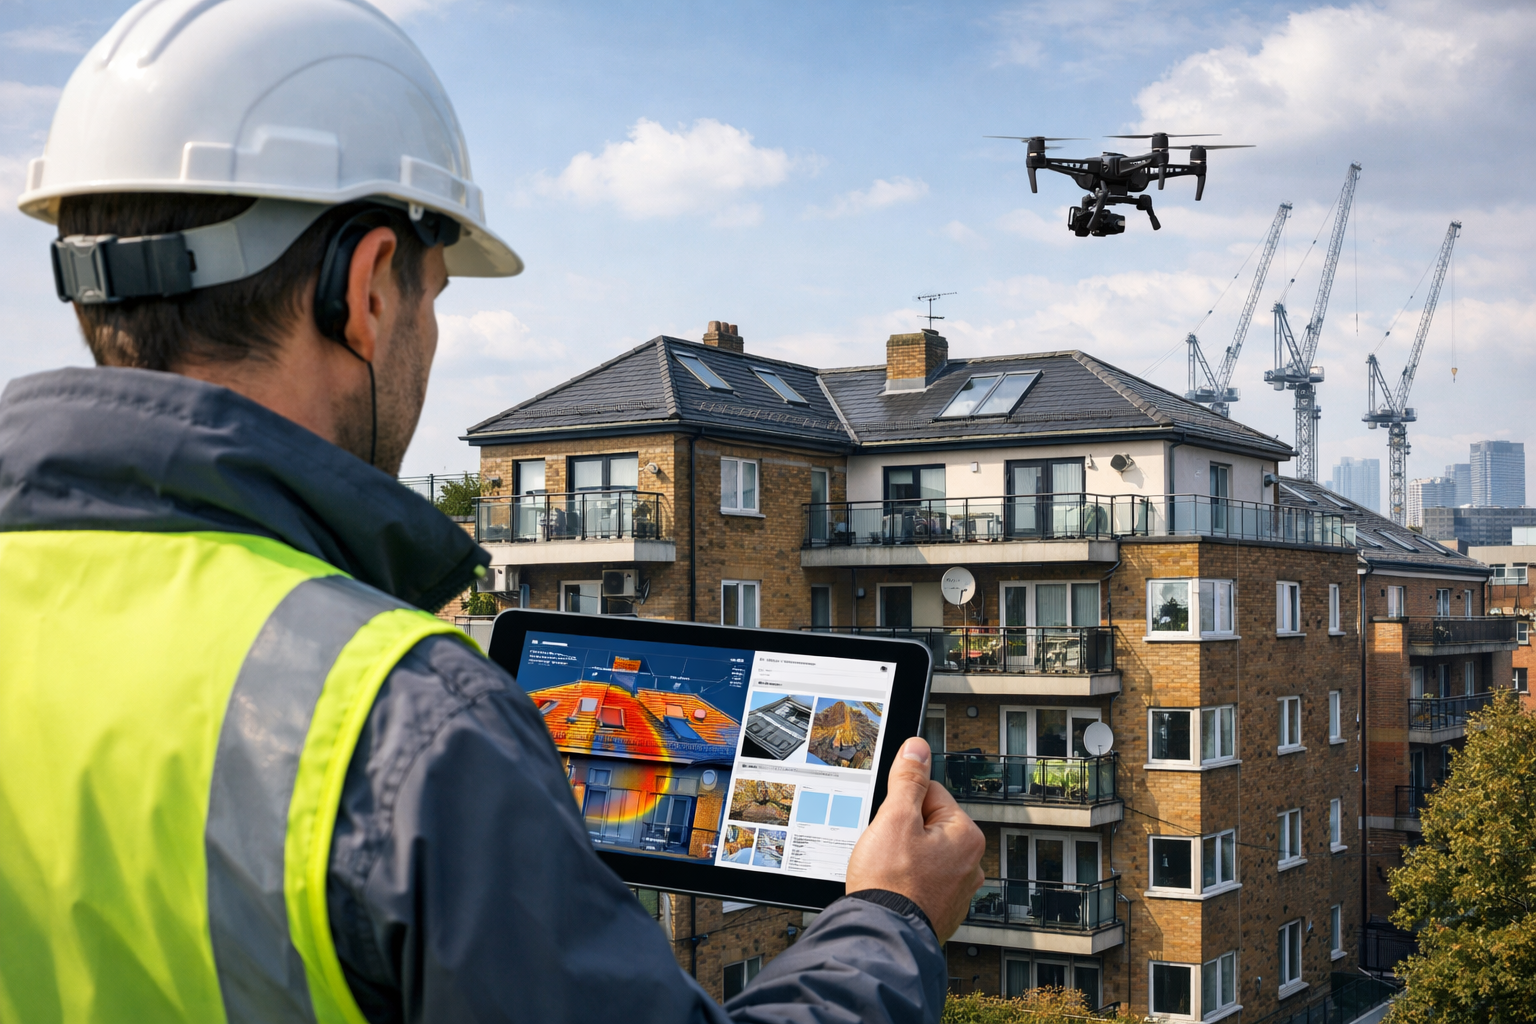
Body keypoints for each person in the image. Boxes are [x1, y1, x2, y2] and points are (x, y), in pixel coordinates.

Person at [0, 2, 985, 1022]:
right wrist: (890, 915)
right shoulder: (405, 722)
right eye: (433, 295)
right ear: (369, 286)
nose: (429, 338)